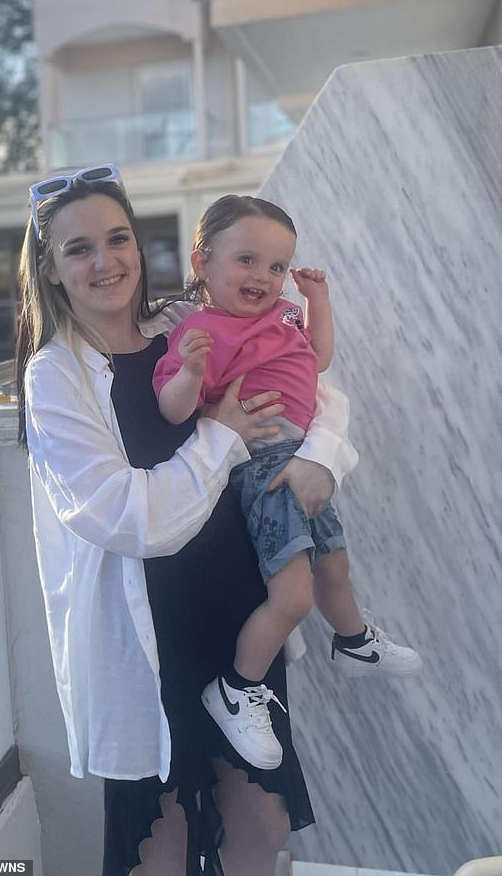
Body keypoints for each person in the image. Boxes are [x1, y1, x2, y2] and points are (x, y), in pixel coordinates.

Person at [14, 165, 357, 876]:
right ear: (49, 267)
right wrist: (222, 434)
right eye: (79, 249)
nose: (105, 261)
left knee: (260, 829)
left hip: (237, 622)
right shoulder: (56, 376)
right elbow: (129, 516)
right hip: (151, 644)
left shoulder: (180, 322)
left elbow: (312, 384)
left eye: (118, 238)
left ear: (142, 247)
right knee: (162, 844)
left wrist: (321, 456)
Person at [153, 194, 422, 771]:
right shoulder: (201, 331)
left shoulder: (281, 319)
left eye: (276, 266)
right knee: (294, 596)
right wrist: (194, 372)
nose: (264, 276)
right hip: (261, 469)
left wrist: (316, 299)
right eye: (247, 260)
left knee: (335, 566)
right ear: (202, 264)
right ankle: (236, 688)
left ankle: (353, 643)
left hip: (298, 458)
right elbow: (174, 409)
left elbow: (318, 361)